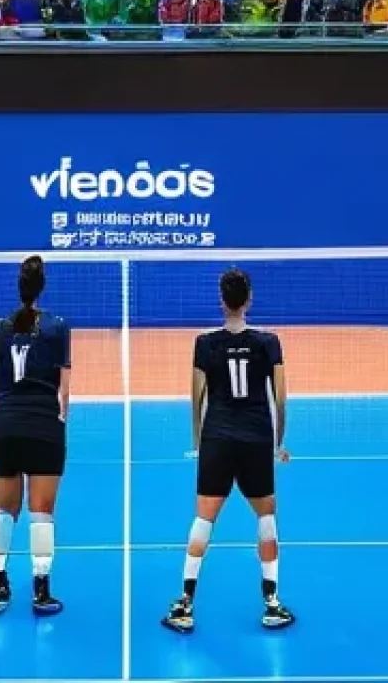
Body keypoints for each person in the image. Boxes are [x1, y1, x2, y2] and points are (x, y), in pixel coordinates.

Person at [162, 267, 295, 634]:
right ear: (248, 299)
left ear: (222, 301)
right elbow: (281, 400)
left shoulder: (205, 343)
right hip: (256, 439)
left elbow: (196, 398)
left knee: (203, 520)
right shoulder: (269, 342)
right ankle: (271, 603)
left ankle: (185, 604)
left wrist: (196, 442)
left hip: (217, 439)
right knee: (266, 519)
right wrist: (278, 443)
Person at [0, 255, 70, 616]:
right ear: (42, 287)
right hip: (43, 424)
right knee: (41, 511)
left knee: (2, 509)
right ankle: (41, 591)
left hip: (4, 424)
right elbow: (64, 391)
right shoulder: (57, 327)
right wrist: (61, 423)